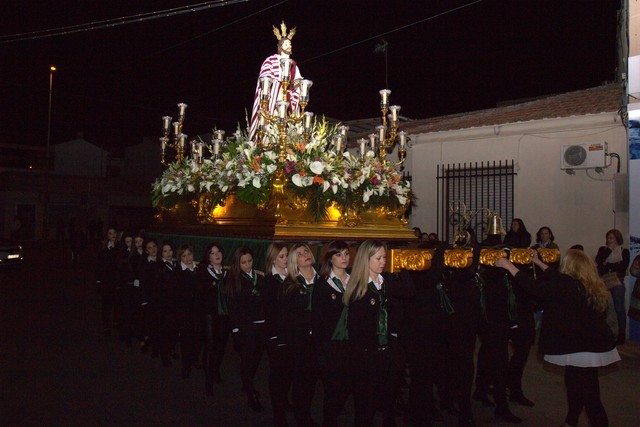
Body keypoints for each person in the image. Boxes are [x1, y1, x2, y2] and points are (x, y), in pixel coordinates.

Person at [496, 249, 619, 427]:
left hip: (581, 347)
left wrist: (510, 267)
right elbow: (556, 277)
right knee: (574, 385)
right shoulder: (588, 282)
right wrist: (538, 262)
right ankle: (571, 421)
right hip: (589, 344)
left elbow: (534, 287)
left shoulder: (567, 286)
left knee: (590, 396)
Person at [344, 240, 414, 426]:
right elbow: (356, 330)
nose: (383, 262)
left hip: (389, 352)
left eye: (384, 257)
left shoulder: (386, 283)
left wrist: (403, 266)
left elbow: (409, 291)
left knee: (388, 402)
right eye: (378, 258)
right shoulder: (359, 289)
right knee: (365, 407)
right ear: (366, 260)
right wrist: (366, 356)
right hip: (368, 357)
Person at [278, 243, 320, 426]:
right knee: (300, 380)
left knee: (311, 380)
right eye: (300, 253)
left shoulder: (323, 281)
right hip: (298, 341)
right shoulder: (290, 285)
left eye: (306, 251)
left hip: (318, 341)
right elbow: (286, 317)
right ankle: (301, 416)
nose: (305, 254)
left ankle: (305, 411)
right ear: (294, 262)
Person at [312, 240, 352, 427]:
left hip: (351, 344)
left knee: (347, 385)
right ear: (330, 258)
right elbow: (318, 321)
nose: (344, 258)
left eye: (346, 254)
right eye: (338, 254)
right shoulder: (323, 285)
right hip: (330, 345)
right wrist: (321, 351)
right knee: (332, 389)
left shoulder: (355, 281)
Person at [224, 246, 267, 412]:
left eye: (249, 261)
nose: (247, 265)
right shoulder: (234, 279)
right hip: (245, 327)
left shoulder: (259, 277)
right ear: (237, 263)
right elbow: (233, 307)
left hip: (260, 325)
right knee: (247, 360)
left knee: (256, 359)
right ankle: (250, 394)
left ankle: (247, 382)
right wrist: (236, 330)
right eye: (243, 262)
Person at [249, 21, 303, 141]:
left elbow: (297, 82)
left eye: (290, 44)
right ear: (280, 47)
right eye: (286, 44)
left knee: (287, 129)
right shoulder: (271, 60)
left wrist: (299, 86)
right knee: (270, 129)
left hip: (287, 100)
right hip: (273, 100)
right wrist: (275, 85)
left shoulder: (294, 65)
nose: (289, 46)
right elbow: (265, 78)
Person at [262, 242, 293, 426]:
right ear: (273, 259)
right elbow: (270, 311)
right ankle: (278, 412)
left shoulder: (291, 276)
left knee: (288, 371)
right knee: (277, 373)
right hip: (276, 334)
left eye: (287, 255)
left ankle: (284, 401)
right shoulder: (269, 281)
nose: (285, 259)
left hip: (291, 333)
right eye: (281, 256)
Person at [196, 242, 231, 396]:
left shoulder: (227, 273)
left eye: (218, 252)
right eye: (212, 253)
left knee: (221, 346)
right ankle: (208, 380)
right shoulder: (203, 272)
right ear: (208, 257)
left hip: (224, 315)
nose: (217, 255)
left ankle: (215, 371)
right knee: (210, 347)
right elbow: (200, 296)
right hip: (209, 315)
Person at [595, 229, 630, 345]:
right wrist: (609, 250)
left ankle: (621, 334)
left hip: (617, 281)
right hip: (604, 281)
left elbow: (623, 267)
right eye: (608, 238)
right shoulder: (603, 250)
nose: (610, 240)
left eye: (612, 238)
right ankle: (603, 333)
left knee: (619, 308)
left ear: (618, 239)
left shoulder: (624, 251)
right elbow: (599, 263)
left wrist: (608, 265)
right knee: (602, 307)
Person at [174, 244, 199, 379]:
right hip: (185, 312)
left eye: (189, 254)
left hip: (197, 311)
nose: (188, 258)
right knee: (186, 340)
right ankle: (186, 366)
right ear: (180, 258)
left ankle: (194, 359)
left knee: (196, 337)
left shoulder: (199, 269)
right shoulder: (178, 272)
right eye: (184, 256)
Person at [95, 227, 119, 337]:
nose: (113, 235)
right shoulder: (103, 249)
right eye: (110, 233)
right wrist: (98, 282)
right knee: (106, 304)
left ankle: (115, 322)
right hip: (106, 282)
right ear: (107, 235)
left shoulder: (119, 248)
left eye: (114, 233)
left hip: (116, 281)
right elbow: (99, 267)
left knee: (116, 303)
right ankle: (106, 325)